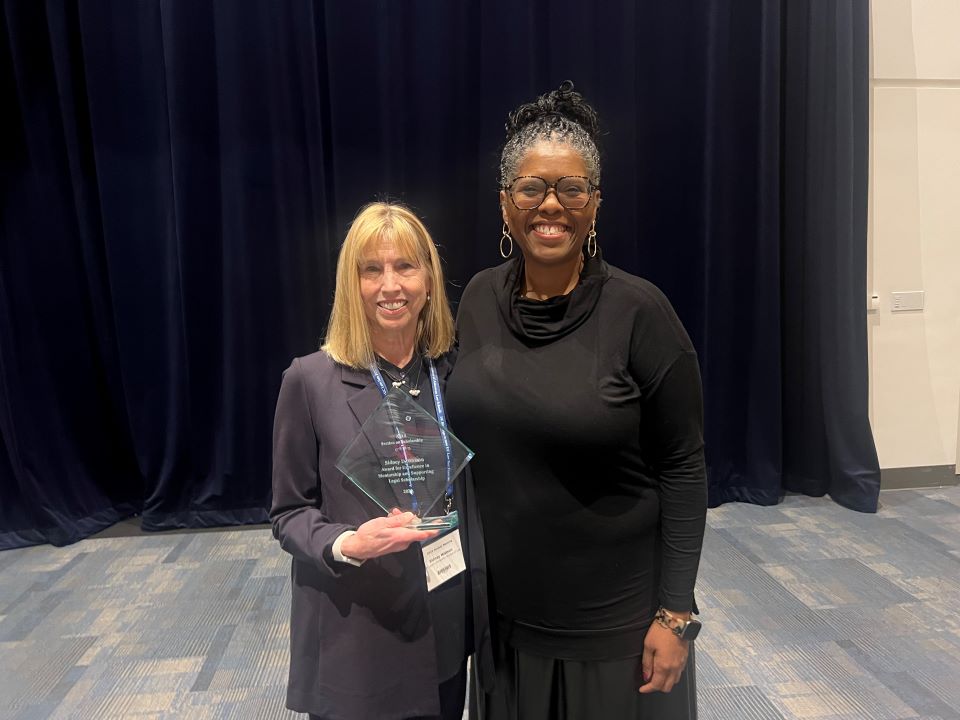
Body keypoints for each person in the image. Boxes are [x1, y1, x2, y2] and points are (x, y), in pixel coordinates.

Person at [446, 82, 708, 719]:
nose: (551, 205)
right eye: (532, 188)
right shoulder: (478, 298)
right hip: (505, 621)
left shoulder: (640, 313)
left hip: (614, 631)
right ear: (506, 205)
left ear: (595, 203)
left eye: (572, 188)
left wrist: (675, 616)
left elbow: (683, 466)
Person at [270, 201, 489, 720]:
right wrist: (346, 543)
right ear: (353, 284)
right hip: (358, 631)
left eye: (405, 266)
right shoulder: (309, 380)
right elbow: (288, 513)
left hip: (443, 619)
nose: (390, 285)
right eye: (373, 269)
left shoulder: (456, 374)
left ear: (429, 281)